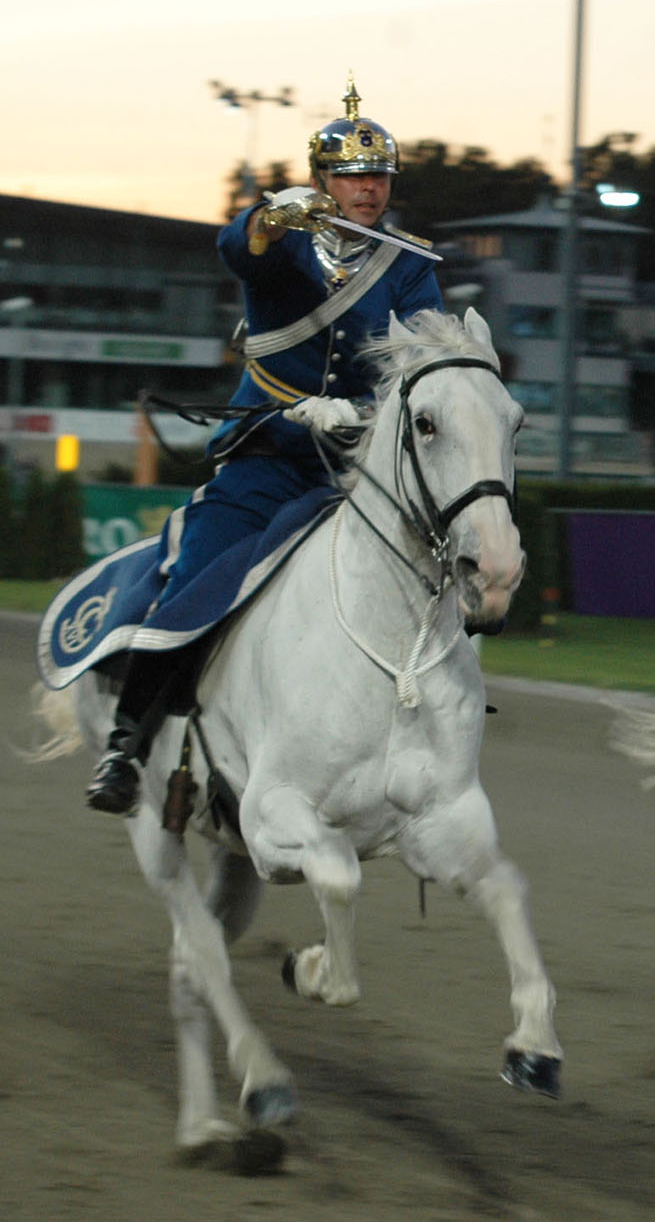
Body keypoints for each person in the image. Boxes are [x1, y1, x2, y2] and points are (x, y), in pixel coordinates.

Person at [86, 76, 443, 816]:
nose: (367, 189)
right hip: (266, 460)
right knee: (198, 575)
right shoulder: (291, 243)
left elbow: (422, 356)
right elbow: (240, 254)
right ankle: (126, 743)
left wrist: (366, 410)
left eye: (377, 176)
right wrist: (267, 219)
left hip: (355, 470)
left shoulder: (408, 263)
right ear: (322, 181)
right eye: (350, 176)